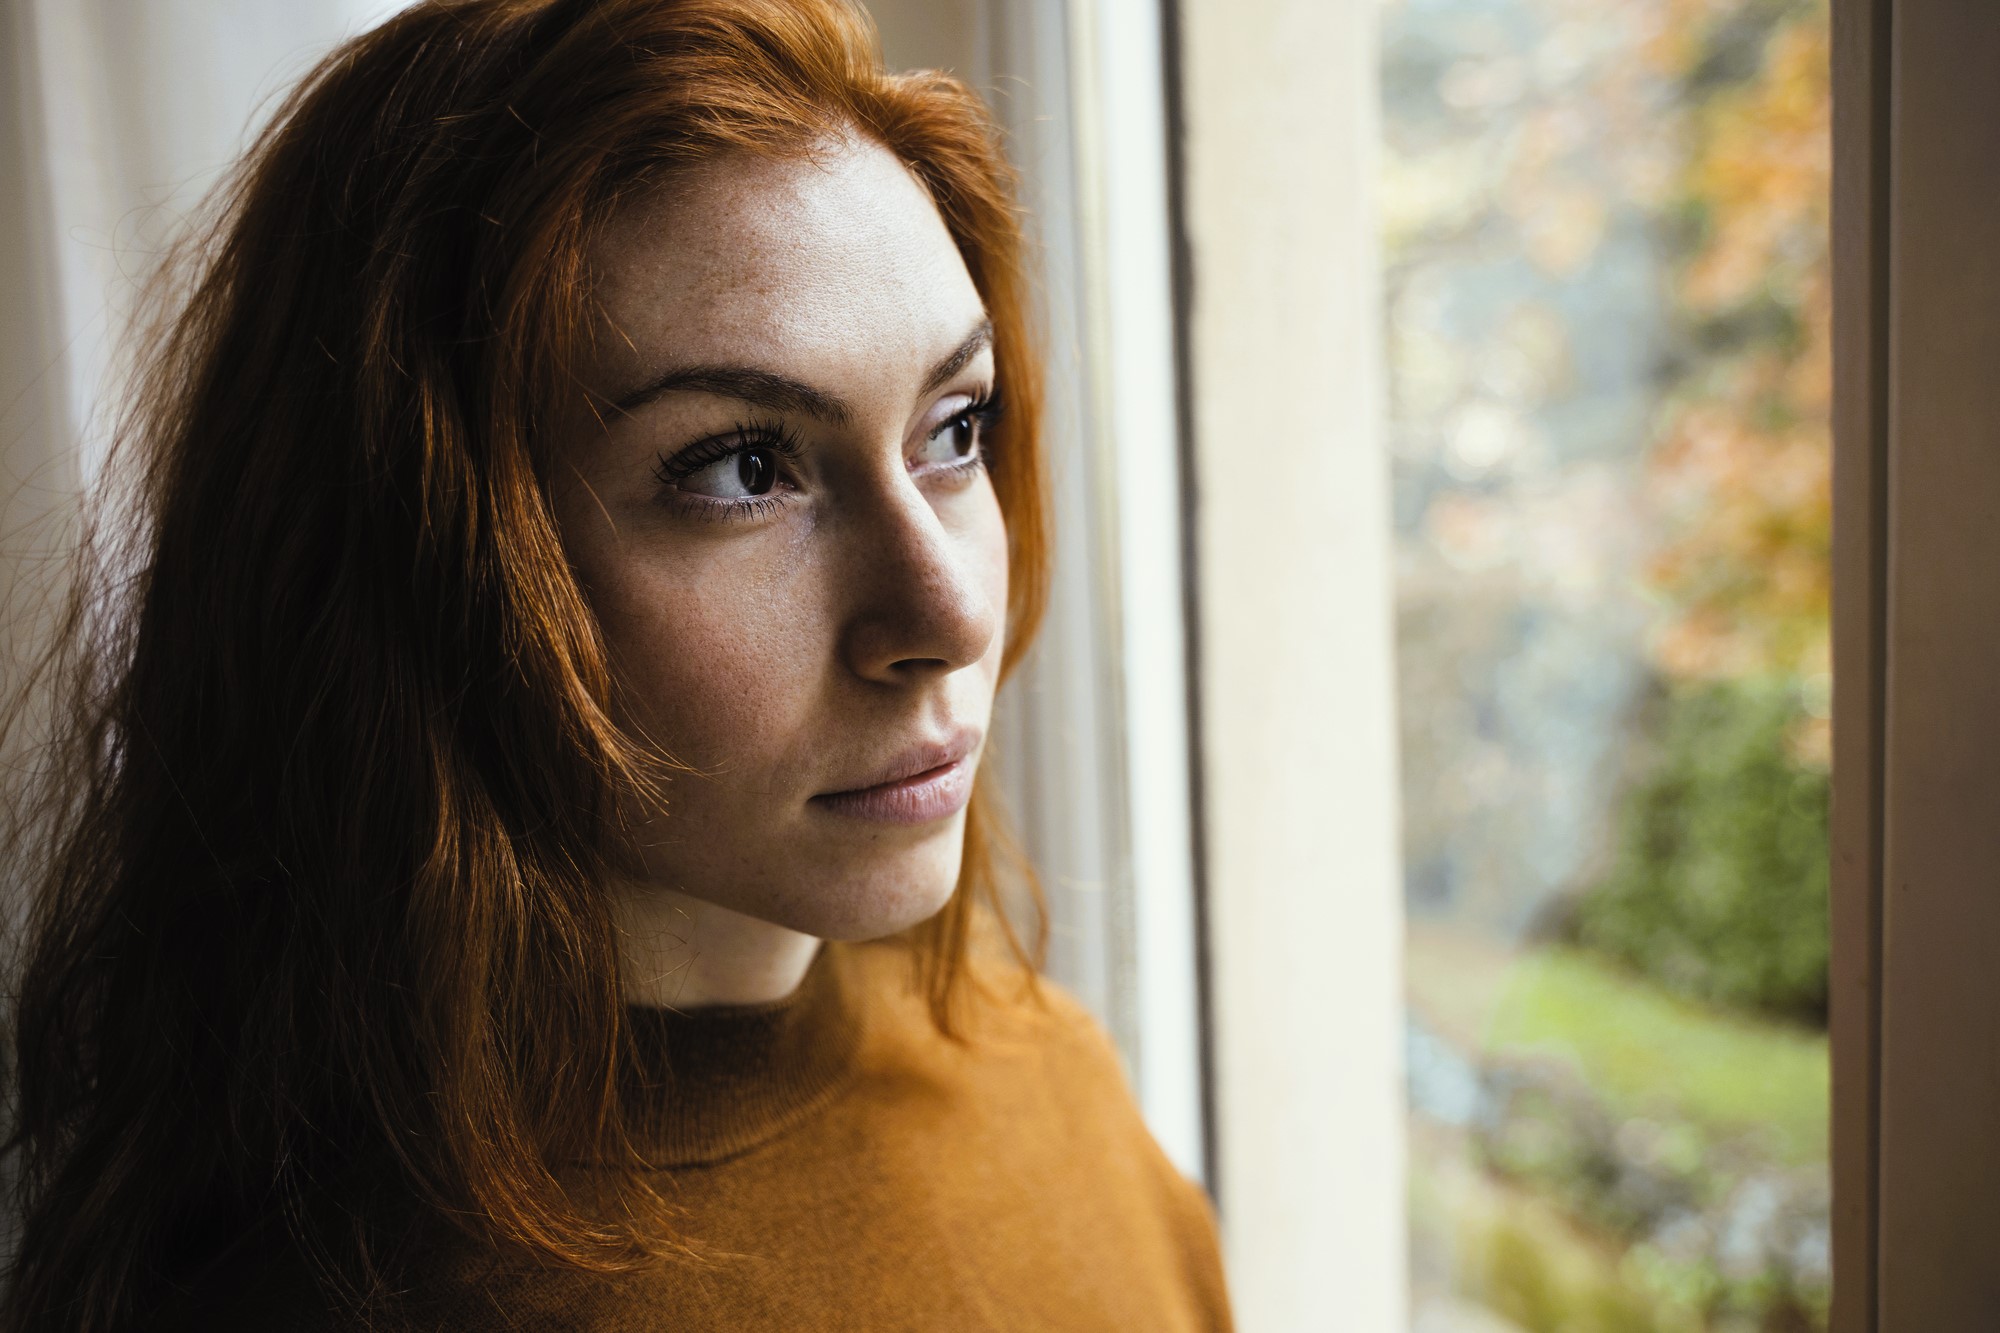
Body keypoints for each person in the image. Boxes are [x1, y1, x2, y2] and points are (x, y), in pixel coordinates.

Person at [0, 1, 1233, 1329]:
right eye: (743, 469)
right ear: (426, 561)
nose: (945, 610)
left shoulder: (1055, 1087)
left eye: (954, 426)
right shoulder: (347, 1291)